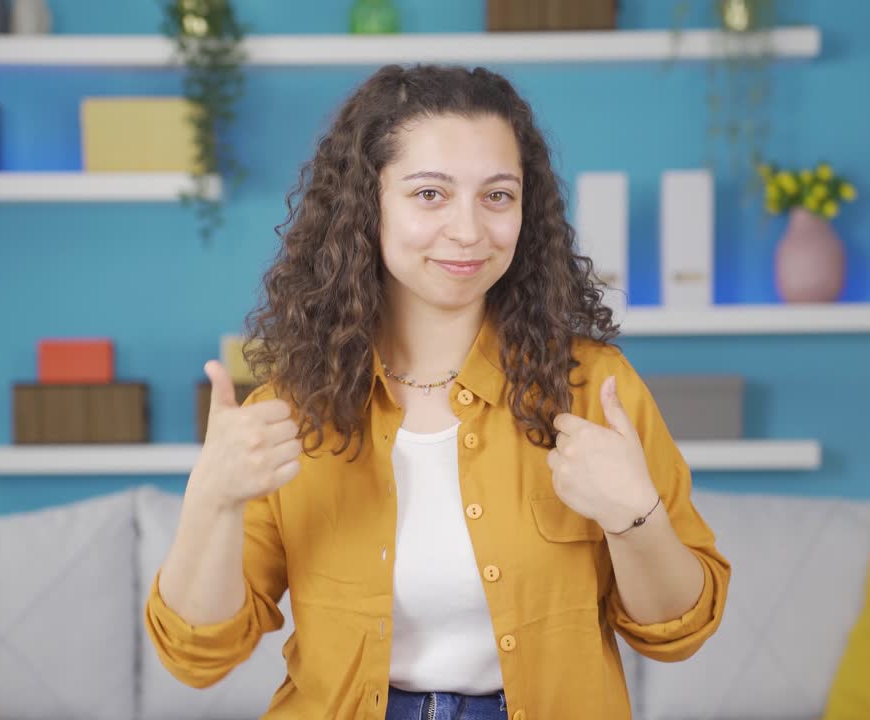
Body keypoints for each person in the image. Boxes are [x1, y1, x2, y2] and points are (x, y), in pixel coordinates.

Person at [144, 64, 730, 720]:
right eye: (430, 194)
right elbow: (198, 656)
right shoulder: (290, 410)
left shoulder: (596, 390)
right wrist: (211, 502)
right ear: (368, 205)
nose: (469, 230)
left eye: (498, 196)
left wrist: (634, 516)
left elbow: (681, 630)